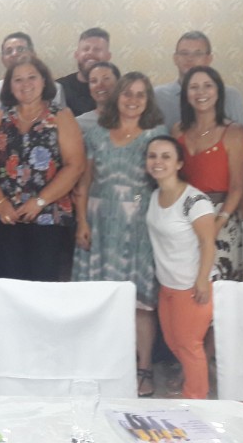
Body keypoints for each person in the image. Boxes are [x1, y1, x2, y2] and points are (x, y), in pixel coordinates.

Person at [71, 72, 166, 397]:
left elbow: (156, 183)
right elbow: (85, 181)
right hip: (98, 224)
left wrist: (135, 203)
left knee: (141, 302)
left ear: (148, 100)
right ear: (117, 97)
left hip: (137, 227)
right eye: (127, 93)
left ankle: (144, 369)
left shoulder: (156, 135)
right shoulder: (97, 133)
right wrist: (81, 221)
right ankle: (97, 365)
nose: (133, 100)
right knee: (96, 299)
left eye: (140, 94)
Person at [0, 56, 84, 282]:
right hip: (4, 216)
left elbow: (75, 165)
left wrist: (40, 202)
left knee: (42, 285)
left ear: (43, 81)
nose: (25, 84)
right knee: (7, 284)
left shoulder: (61, 116)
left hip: (48, 216)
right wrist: (0, 203)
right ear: (9, 85)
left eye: (32, 77)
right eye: (18, 79)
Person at [145, 135, 216, 399]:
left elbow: (208, 243)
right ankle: (193, 388)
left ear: (179, 163)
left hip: (191, 287)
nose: (158, 162)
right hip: (167, 285)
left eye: (166, 157)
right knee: (175, 343)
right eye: (152, 156)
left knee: (188, 346)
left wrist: (202, 281)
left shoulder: (195, 201)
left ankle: (196, 401)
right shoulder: (155, 195)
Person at [172, 65, 243, 282]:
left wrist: (217, 225)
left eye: (207, 86)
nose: (201, 92)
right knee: (186, 282)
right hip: (185, 217)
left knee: (219, 287)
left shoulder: (234, 132)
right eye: (194, 87)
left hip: (221, 217)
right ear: (186, 94)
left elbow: (238, 187)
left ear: (218, 91)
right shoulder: (178, 131)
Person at [154, 31, 243, 129]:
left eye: (197, 54)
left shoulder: (230, 95)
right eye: (184, 53)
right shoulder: (158, 96)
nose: (190, 58)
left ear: (209, 59)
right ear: (175, 59)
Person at [0, 32, 67, 110]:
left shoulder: (56, 88)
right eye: (9, 51)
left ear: (33, 54)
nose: (14, 54)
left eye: (20, 49)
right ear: (2, 59)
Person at [57, 27, 112, 116]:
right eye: (86, 49)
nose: (90, 53)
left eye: (97, 49)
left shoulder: (119, 89)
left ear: (108, 56)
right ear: (76, 55)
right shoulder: (58, 88)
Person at [74, 61, 121, 133]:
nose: (99, 85)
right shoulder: (78, 124)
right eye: (93, 81)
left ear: (119, 83)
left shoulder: (134, 118)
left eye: (106, 79)